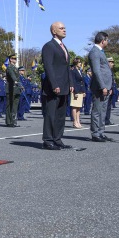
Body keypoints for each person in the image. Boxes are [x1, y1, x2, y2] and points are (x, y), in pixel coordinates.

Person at [41, 21, 73, 150]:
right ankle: (48, 140)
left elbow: (66, 67)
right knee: (51, 114)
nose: (64, 30)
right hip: (54, 87)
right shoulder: (49, 46)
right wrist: (54, 84)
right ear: (54, 31)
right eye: (61, 28)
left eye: (65, 27)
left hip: (64, 85)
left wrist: (71, 83)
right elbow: (48, 67)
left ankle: (57, 138)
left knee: (60, 114)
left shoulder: (63, 46)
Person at [88, 32, 114, 141]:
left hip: (106, 87)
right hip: (100, 87)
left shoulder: (100, 52)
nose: (107, 42)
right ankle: (95, 133)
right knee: (97, 110)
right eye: (107, 40)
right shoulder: (95, 52)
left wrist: (109, 87)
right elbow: (97, 71)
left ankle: (101, 132)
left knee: (103, 111)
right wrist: (103, 86)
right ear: (103, 40)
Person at [5, 54, 21, 127]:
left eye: (15, 59)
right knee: (10, 106)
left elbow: (18, 78)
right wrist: (15, 81)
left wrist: (21, 86)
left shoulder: (15, 68)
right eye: (13, 59)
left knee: (15, 106)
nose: (15, 60)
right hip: (11, 89)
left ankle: (13, 121)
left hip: (16, 89)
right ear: (10, 59)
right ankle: (9, 122)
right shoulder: (9, 67)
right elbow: (12, 75)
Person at [69, 57, 86, 129]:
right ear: (76, 63)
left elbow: (82, 82)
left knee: (79, 107)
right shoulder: (73, 70)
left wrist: (84, 91)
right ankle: (74, 121)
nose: (80, 64)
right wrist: (75, 91)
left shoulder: (80, 71)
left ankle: (78, 121)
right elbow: (72, 81)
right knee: (74, 107)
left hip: (80, 90)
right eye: (79, 62)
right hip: (75, 90)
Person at [104, 57, 115, 125]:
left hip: (110, 90)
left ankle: (107, 119)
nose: (112, 64)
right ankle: (104, 119)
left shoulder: (110, 71)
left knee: (108, 106)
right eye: (111, 62)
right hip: (106, 90)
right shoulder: (105, 70)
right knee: (104, 106)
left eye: (112, 63)